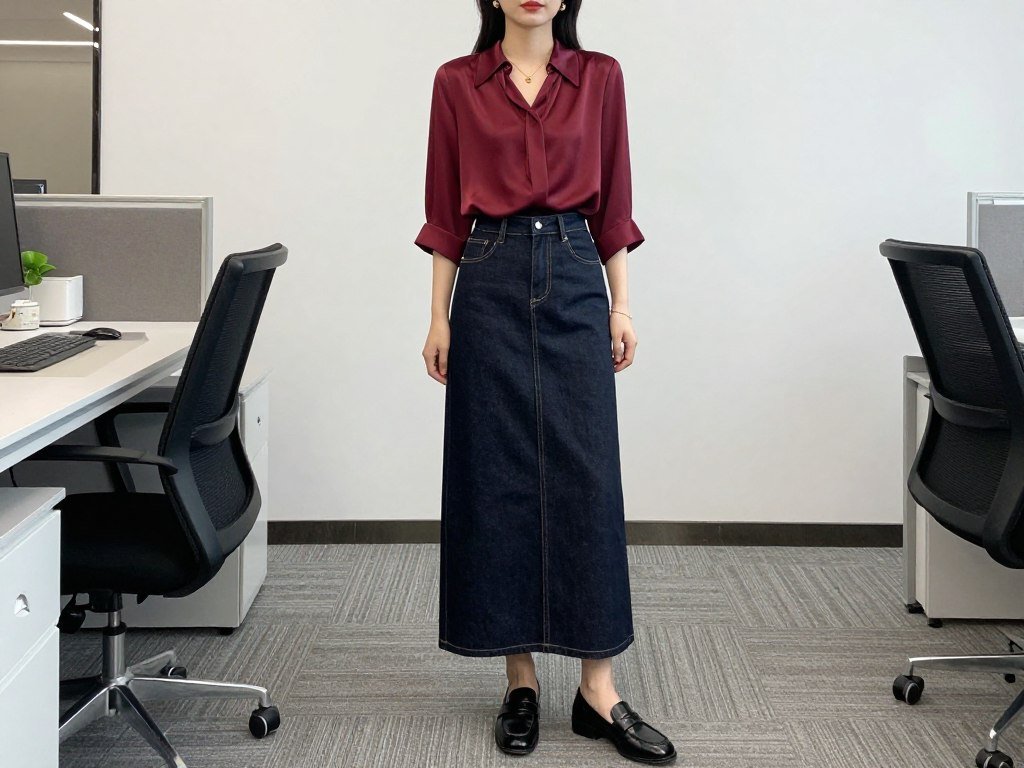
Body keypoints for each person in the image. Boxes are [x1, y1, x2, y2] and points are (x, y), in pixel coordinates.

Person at [415, 1, 675, 763]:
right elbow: (442, 210)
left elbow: (615, 202)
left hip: (573, 272)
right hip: (488, 279)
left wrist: (622, 304)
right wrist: (438, 316)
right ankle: (519, 680)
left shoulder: (600, 78)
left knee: (587, 478)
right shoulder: (456, 82)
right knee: (496, 478)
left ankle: (600, 688)